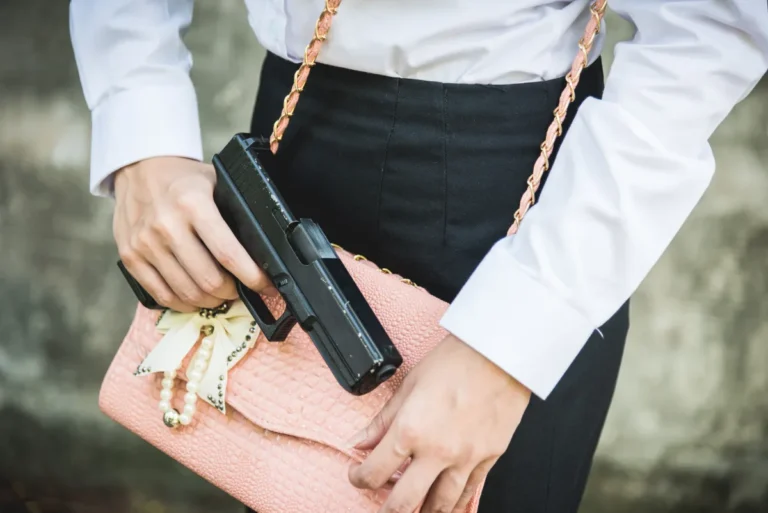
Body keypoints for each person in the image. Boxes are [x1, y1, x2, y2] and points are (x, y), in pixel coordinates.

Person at [68, 1, 768, 512]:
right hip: (292, 131)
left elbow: (709, 30)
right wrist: (140, 124)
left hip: (525, 195)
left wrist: (512, 341)